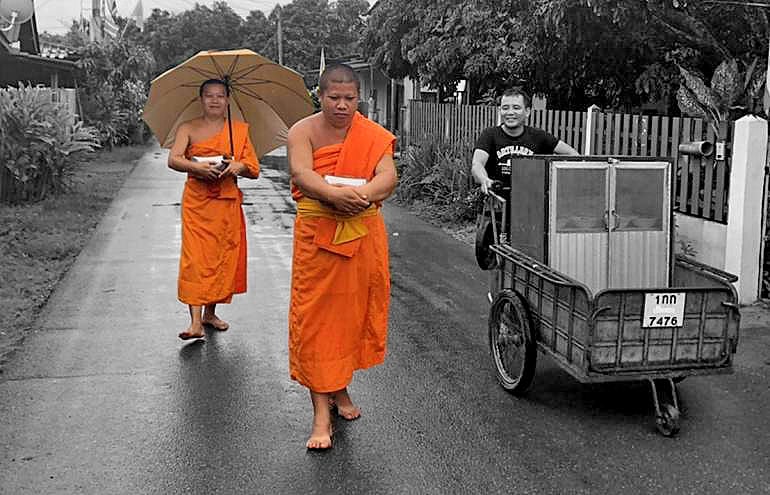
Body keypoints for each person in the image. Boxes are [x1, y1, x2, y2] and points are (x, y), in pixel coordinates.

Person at [286, 64, 397, 450]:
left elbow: (388, 176)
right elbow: (302, 174)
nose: (342, 105)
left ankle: (341, 387)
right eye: (334, 97)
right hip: (318, 238)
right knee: (318, 320)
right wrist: (332, 195)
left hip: (362, 235)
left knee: (349, 319)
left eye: (350, 98)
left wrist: (363, 194)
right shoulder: (302, 131)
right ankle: (320, 414)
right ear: (320, 95)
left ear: (358, 97)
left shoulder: (373, 135)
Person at [167, 79, 260, 341]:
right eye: (209, 96)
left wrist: (237, 166)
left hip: (226, 203)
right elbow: (173, 159)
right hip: (198, 203)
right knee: (196, 259)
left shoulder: (238, 131)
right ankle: (195, 322)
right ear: (201, 99)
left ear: (228, 100)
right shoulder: (188, 128)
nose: (215, 100)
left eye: (220, 96)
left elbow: (253, 168)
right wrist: (197, 168)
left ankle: (210, 313)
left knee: (220, 258)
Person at [471, 87, 578, 194]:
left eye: (516, 108)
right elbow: (477, 164)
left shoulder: (539, 136)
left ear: (527, 111)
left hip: (531, 202)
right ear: (500, 111)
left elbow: (572, 154)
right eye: (505, 108)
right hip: (496, 203)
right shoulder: (489, 135)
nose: (510, 112)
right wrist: (484, 180)